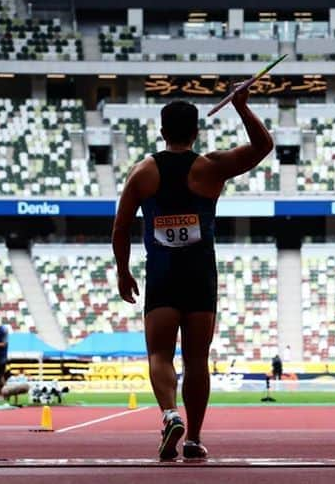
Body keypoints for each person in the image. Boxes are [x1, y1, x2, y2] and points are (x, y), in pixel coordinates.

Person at [112, 94, 273, 462]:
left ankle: (170, 414)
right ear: (196, 131)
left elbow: (120, 227)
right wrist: (242, 105)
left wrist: (123, 271)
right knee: (197, 360)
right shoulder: (210, 167)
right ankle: (194, 438)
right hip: (200, 273)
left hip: (163, 273)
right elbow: (263, 145)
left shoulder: (143, 171)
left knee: (159, 353)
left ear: (163, 130)